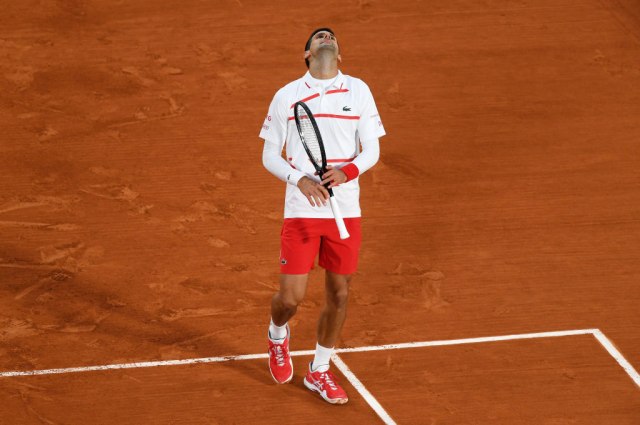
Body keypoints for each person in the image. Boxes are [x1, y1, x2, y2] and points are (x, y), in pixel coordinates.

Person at [259, 27, 385, 405]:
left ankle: (319, 369)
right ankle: (277, 335)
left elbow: (372, 150)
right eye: (319, 37)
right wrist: (298, 179)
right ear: (307, 55)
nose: (326, 37)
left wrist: (347, 172)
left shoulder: (358, 90)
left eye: (331, 37)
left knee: (340, 294)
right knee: (290, 299)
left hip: (346, 211)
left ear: (339, 55)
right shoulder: (287, 96)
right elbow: (269, 155)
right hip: (302, 211)